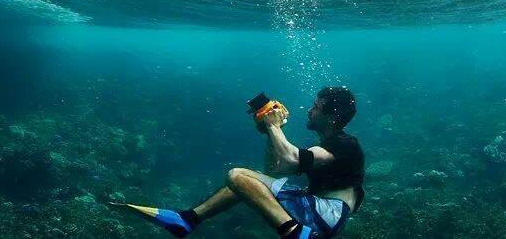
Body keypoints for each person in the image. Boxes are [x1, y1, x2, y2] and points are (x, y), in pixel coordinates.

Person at [119, 87, 364, 238]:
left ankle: (294, 233)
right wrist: (269, 131)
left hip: (328, 214)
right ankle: (188, 220)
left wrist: (274, 126)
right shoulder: (331, 144)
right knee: (246, 182)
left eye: (316, 107)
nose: (310, 110)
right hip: (319, 210)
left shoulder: (345, 144)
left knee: (236, 175)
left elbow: (290, 158)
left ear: (332, 117)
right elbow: (275, 168)